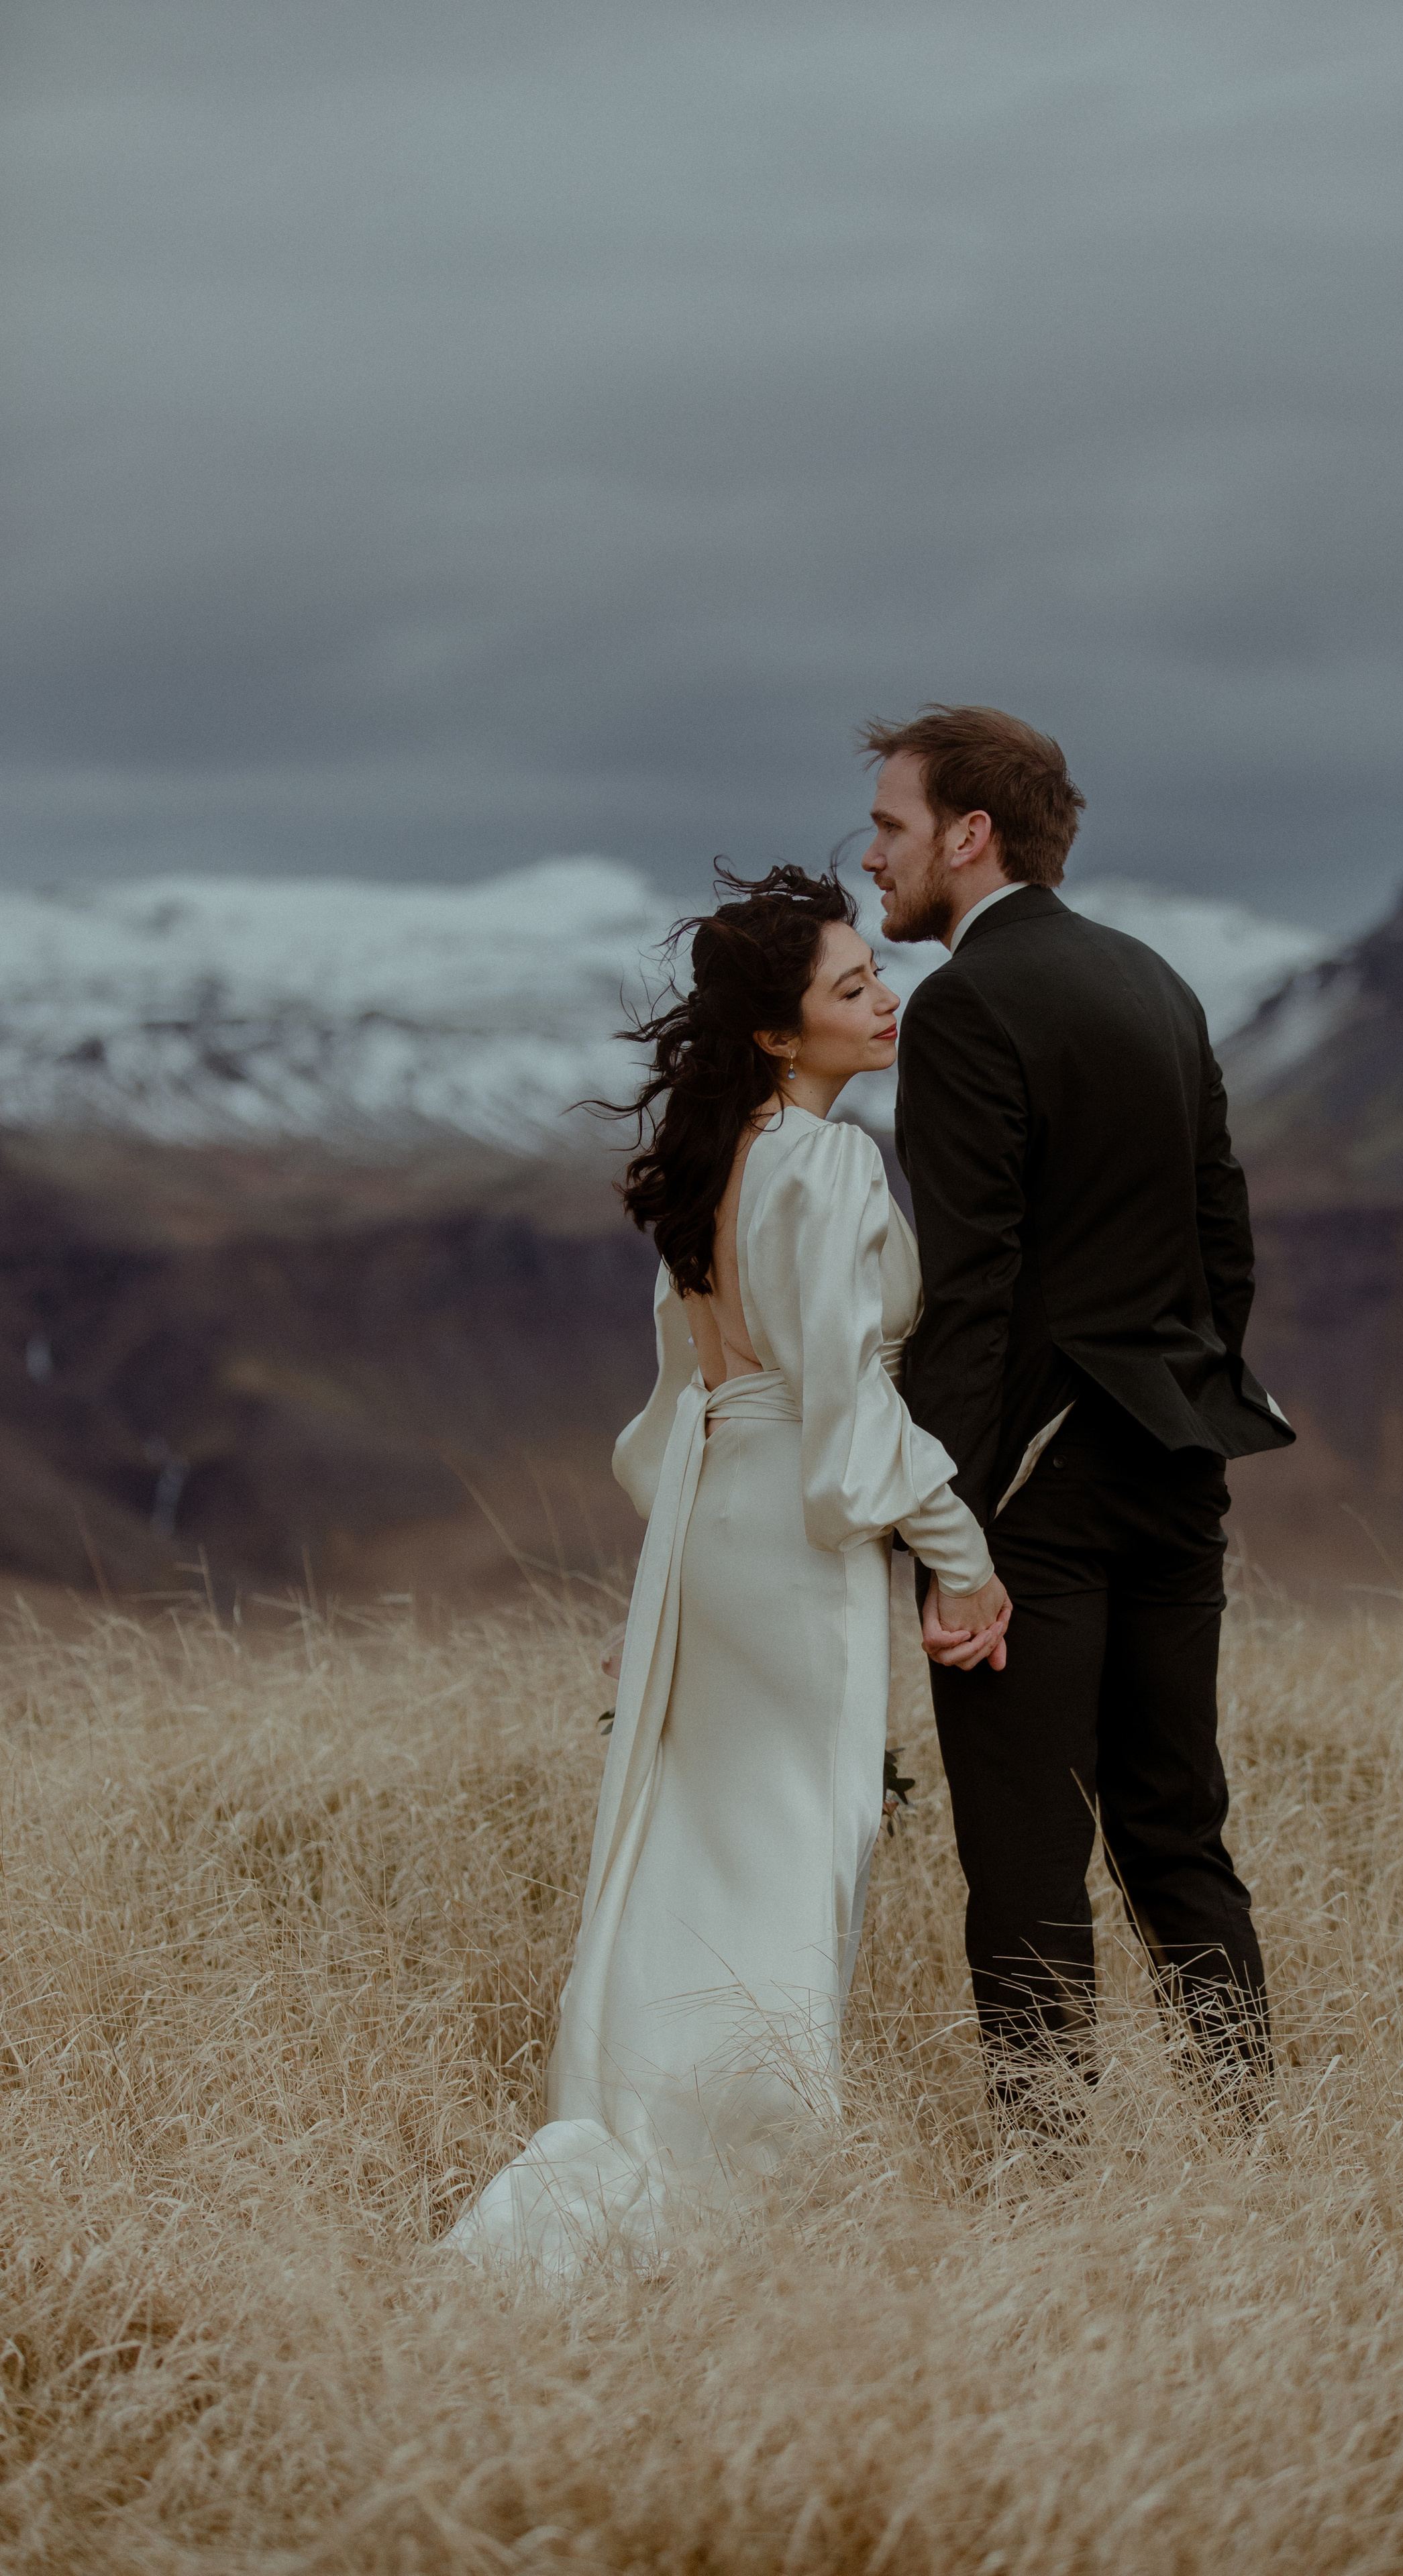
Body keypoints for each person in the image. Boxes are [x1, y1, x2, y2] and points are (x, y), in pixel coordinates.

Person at [449, 864, 1009, 2276]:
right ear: (776, 1032)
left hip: (711, 1527)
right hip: (796, 1544)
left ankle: (641, 2134)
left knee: (699, 1850)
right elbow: (845, 1401)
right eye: (849, 988)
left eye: (874, 975)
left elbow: (680, 1405)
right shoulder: (825, 1162)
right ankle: (740, 2181)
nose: (882, 999)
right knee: (799, 1851)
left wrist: (661, 1600)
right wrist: (959, 1556)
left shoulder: (716, 1165)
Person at [861, 705, 1295, 2123]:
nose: (872, 856)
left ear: (968, 836)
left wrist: (948, 1529)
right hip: (1175, 1462)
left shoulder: (963, 1006)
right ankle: (1252, 2136)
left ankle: (1046, 2185)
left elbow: (971, 1288)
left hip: (1032, 1497)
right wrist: (1185, 1388)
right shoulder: (1157, 983)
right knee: (1178, 1830)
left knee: (1028, 1849)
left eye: (891, 826)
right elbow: (1222, 1240)